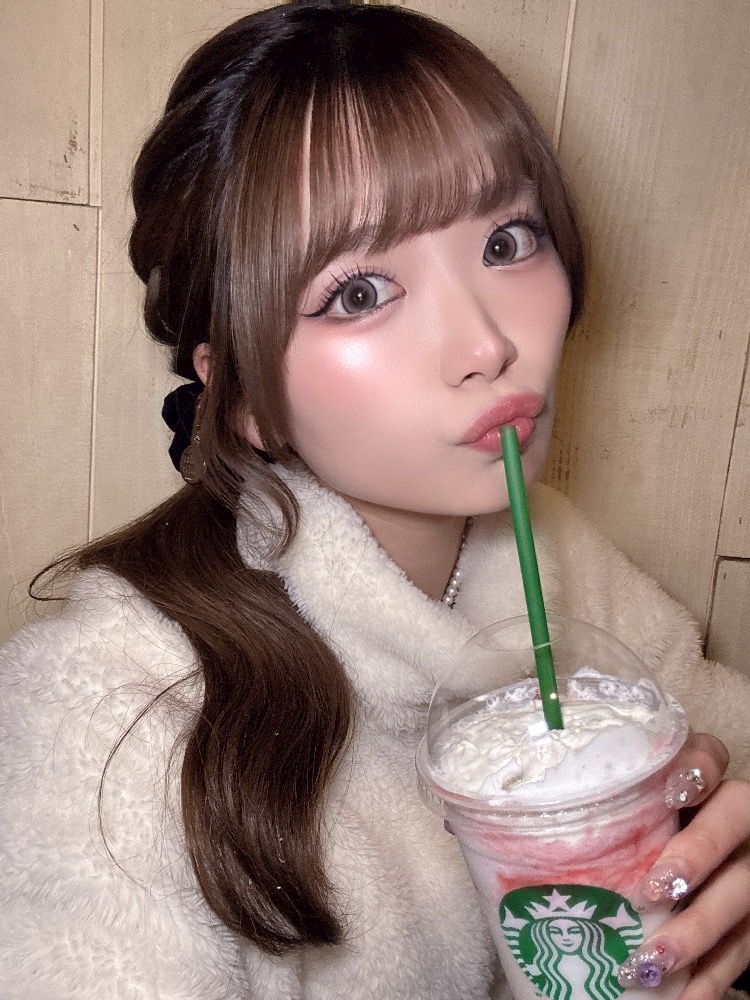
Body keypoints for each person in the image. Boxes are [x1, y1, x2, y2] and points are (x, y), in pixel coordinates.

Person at [1, 3, 749, 998]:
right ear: (244, 395)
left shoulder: (560, 558)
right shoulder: (108, 716)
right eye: (359, 293)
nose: (487, 343)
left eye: (507, 239)